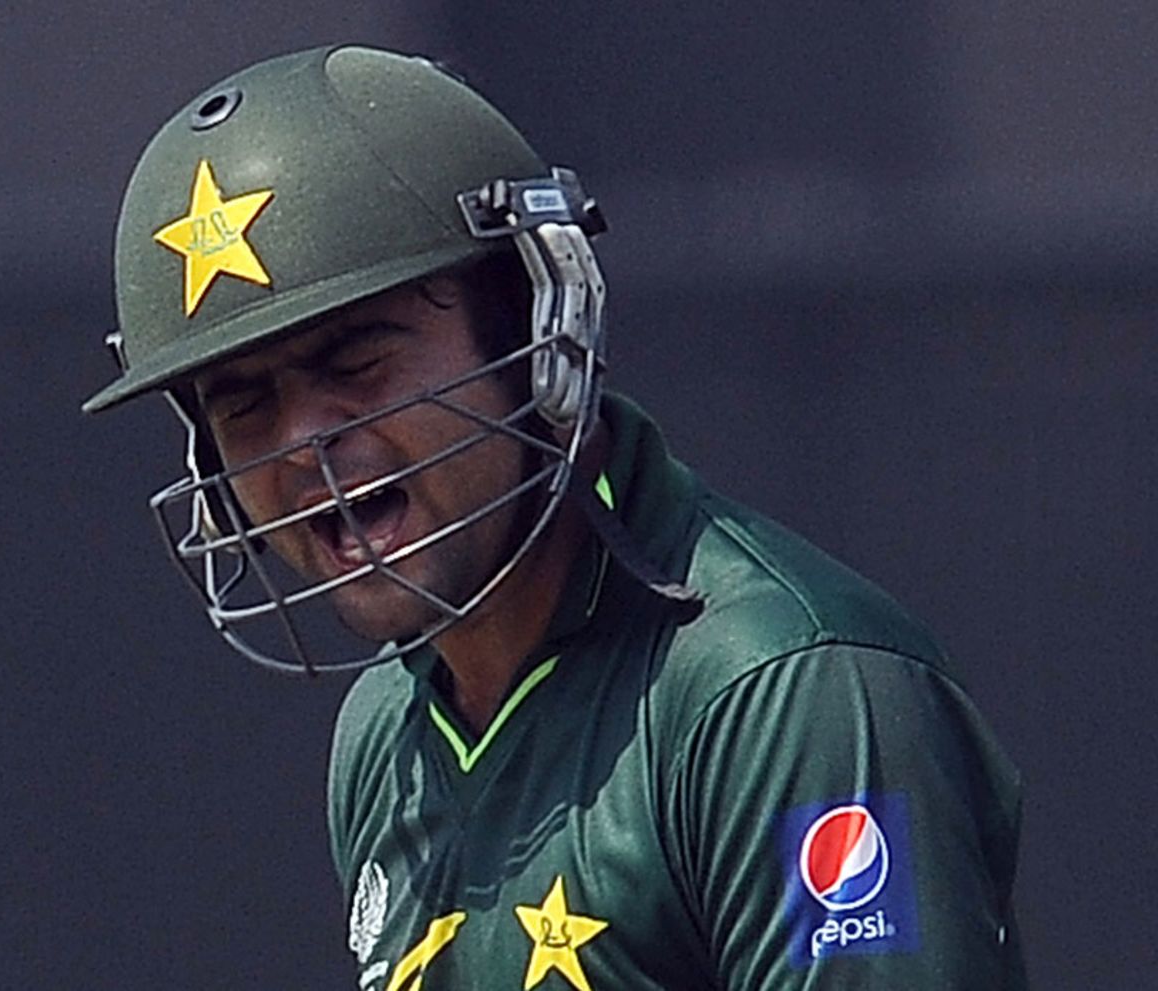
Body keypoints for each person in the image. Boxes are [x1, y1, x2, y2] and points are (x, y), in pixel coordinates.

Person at [84, 44, 1027, 990]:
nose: (303, 444)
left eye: (357, 361)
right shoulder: (386, 732)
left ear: (540, 335)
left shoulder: (784, 691)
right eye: (244, 402)